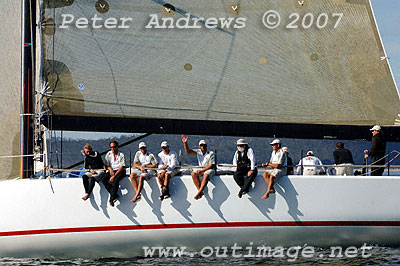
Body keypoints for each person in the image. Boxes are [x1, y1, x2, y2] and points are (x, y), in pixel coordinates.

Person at [181, 135, 215, 200]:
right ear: (199, 146)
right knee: (193, 174)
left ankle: (199, 192)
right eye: (201, 145)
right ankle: (200, 191)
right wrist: (185, 143)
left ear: (206, 146)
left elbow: (211, 165)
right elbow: (188, 151)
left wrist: (202, 171)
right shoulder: (198, 152)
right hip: (201, 168)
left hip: (209, 169)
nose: (203, 147)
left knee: (206, 175)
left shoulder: (210, 153)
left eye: (204, 145)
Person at [103, 140, 126, 207]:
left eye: (114, 147)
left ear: (117, 147)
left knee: (116, 180)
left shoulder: (121, 154)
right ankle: (114, 195)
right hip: (112, 170)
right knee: (104, 180)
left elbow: (122, 167)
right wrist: (110, 169)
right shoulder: (109, 154)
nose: (112, 149)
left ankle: (111, 198)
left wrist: (114, 175)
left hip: (120, 171)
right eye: (111, 147)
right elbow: (106, 165)